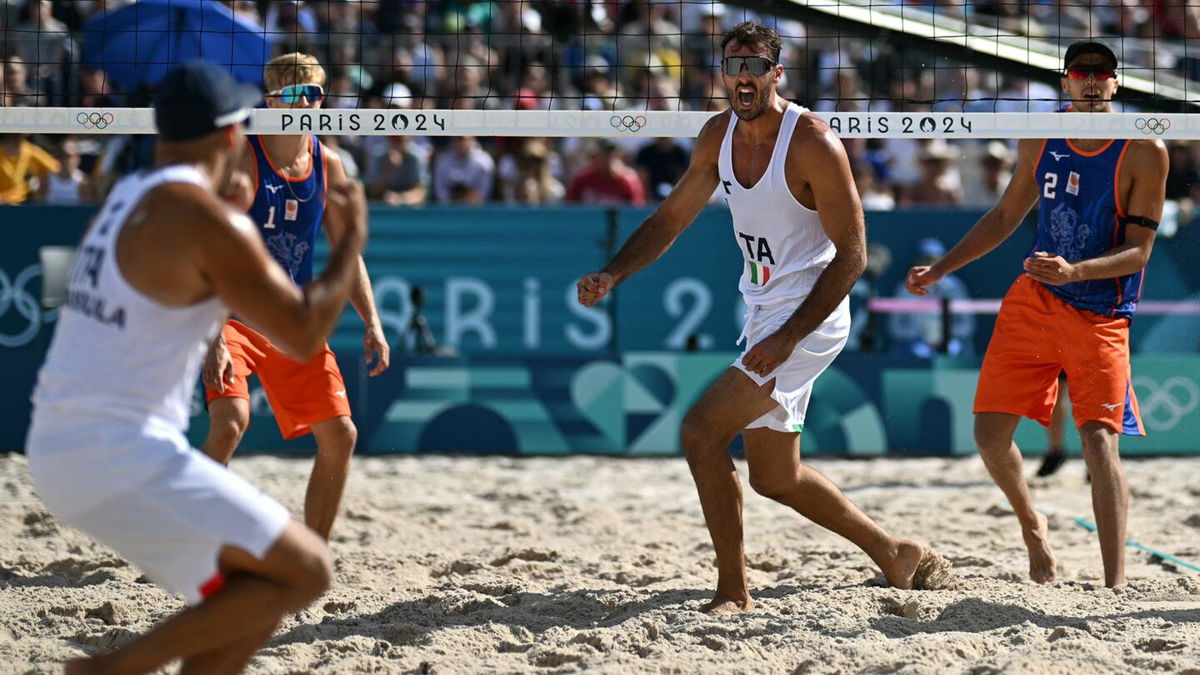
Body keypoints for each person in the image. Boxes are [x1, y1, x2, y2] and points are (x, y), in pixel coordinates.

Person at [577, 21, 952, 615]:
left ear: (777, 75)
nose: (743, 77)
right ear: (721, 74)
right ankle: (895, 553)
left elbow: (852, 254)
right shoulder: (715, 137)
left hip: (811, 316)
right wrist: (614, 273)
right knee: (775, 477)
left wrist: (789, 337)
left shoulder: (810, 142)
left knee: (701, 431)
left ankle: (734, 590)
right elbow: (670, 219)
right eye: (734, 66)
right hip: (764, 313)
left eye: (755, 67)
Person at [26, 60, 367, 674]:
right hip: (118, 456)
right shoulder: (204, 219)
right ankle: (108, 668)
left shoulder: (130, 197)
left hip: (62, 447)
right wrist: (351, 238)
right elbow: (303, 329)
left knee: (253, 592)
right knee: (307, 570)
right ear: (234, 135)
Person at [906, 41, 1168, 587]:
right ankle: (1033, 528)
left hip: (1101, 309)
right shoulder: (1041, 132)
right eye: (1081, 72)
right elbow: (1005, 215)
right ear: (1066, 81)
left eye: (1102, 73)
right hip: (1036, 298)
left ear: (1116, 84)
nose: (1091, 81)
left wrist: (1075, 272)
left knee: (1098, 441)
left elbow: (1140, 253)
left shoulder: (1145, 150)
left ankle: (1114, 586)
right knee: (988, 436)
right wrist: (942, 268)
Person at [201, 52, 390, 540]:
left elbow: (347, 253)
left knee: (341, 436)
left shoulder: (328, 162)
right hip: (230, 314)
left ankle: (314, 552)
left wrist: (371, 320)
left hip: (289, 320)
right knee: (229, 424)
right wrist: (211, 335)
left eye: (316, 94)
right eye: (297, 95)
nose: (309, 103)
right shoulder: (242, 153)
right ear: (271, 101)